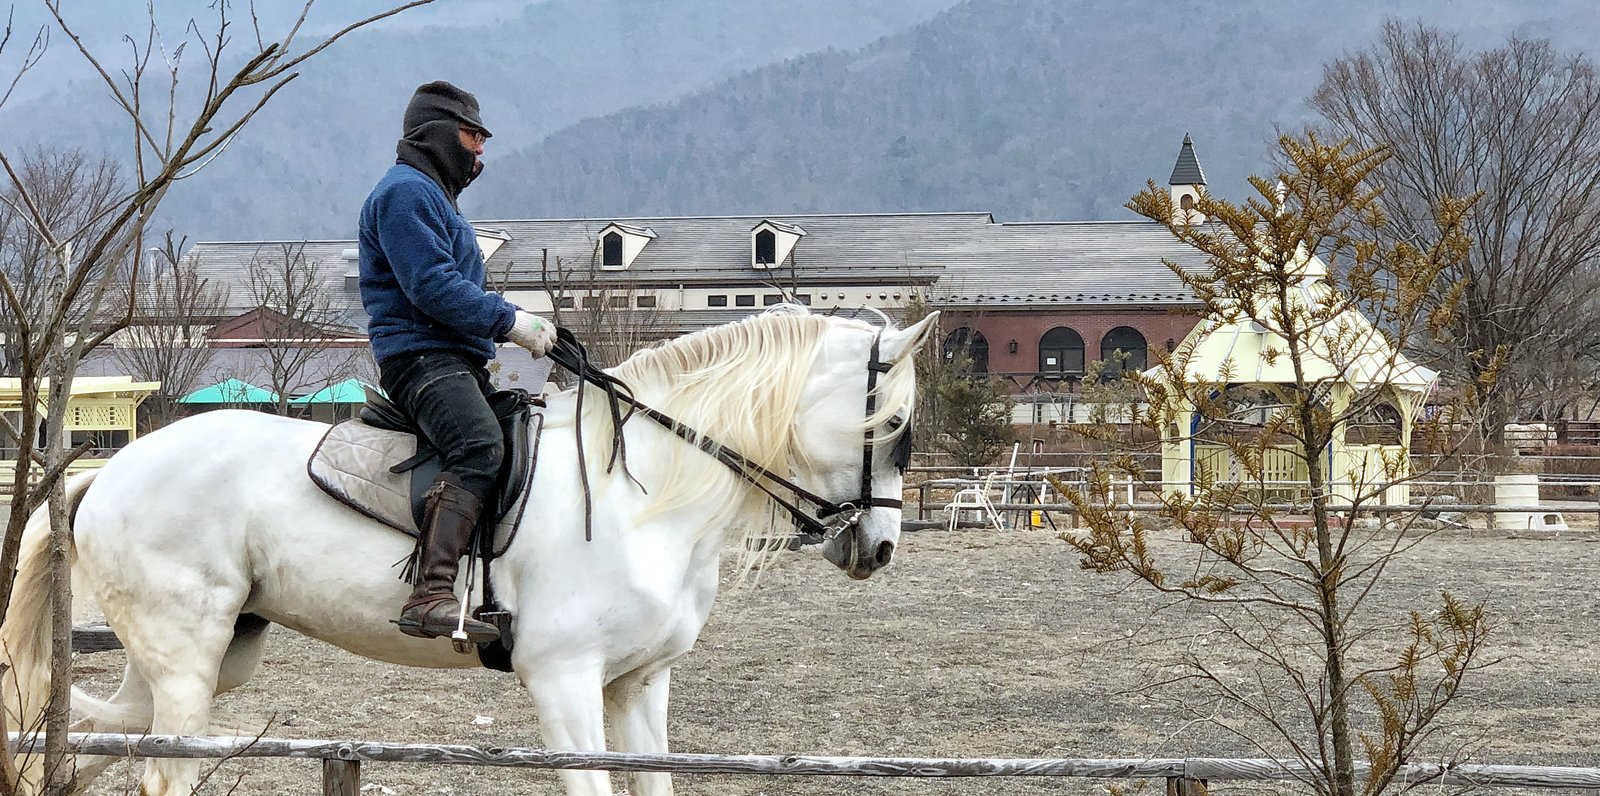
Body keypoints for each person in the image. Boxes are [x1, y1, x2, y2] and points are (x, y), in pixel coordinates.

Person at [358, 81, 554, 643]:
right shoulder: (405, 194)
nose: (480, 150)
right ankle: (429, 592)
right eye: (473, 135)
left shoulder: (434, 198)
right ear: (442, 134)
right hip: (420, 357)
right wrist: (510, 320)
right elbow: (431, 286)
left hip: (458, 358)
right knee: (479, 446)